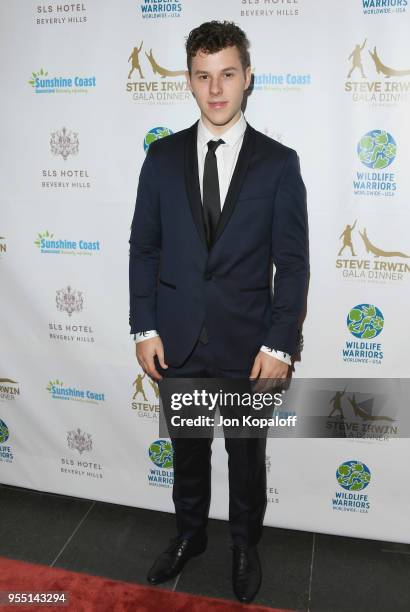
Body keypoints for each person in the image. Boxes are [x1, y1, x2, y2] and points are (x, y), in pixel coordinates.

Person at [129, 21, 309, 604]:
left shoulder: (280, 164)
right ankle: (189, 536)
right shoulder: (160, 158)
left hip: (249, 345)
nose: (216, 89)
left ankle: (241, 544)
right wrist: (144, 325)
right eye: (203, 77)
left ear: (247, 77)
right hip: (176, 339)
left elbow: (293, 263)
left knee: (246, 456)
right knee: (187, 450)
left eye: (227, 74)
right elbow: (145, 248)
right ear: (188, 80)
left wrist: (280, 344)